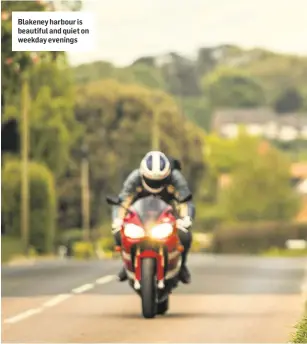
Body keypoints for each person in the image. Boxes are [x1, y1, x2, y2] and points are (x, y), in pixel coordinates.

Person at [111, 151, 195, 284]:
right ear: (143, 174)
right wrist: (117, 219)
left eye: (159, 181)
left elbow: (185, 201)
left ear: (167, 175)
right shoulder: (135, 177)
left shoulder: (176, 177)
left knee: (185, 236)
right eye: (151, 181)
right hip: (139, 215)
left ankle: (182, 265)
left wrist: (186, 219)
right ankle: (126, 264)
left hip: (168, 214)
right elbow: (123, 200)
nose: (155, 185)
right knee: (119, 234)